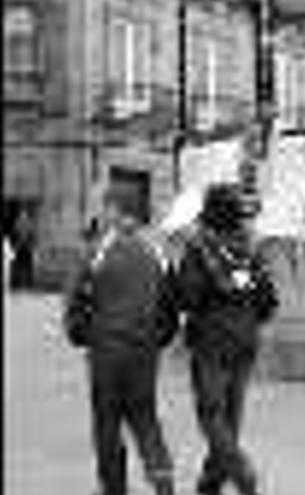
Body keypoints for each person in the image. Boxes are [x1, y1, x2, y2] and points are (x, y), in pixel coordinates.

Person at [63, 191, 178, 495]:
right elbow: (171, 302)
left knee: (107, 422)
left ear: (116, 210)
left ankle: (114, 487)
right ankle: (163, 481)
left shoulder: (97, 249)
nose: (103, 214)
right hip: (144, 351)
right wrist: (159, 338)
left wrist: (79, 334)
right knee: (146, 419)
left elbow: (77, 299)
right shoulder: (158, 250)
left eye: (106, 208)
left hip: (106, 352)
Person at [176, 183, 278, 495]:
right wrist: (247, 320)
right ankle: (210, 484)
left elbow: (189, 298)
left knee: (211, 414)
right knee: (231, 416)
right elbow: (269, 300)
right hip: (246, 338)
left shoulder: (199, 246)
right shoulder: (253, 245)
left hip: (212, 340)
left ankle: (241, 473)